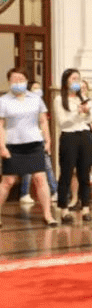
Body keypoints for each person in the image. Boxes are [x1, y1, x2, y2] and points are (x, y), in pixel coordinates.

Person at [0, 68, 55, 226]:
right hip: (13, 145)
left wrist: (48, 141)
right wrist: (2, 146)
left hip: (34, 144)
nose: (18, 82)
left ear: (26, 80)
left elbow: (43, 121)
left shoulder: (35, 98)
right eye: (14, 80)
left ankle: (48, 215)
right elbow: (1, 125)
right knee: (8, 181)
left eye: (21, 79)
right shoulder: (3, 100)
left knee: (40, 179)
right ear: (9, 82)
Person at [55, 68, 92, 223]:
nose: (76, 82)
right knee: (66, 173)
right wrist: (77, 113)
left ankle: (86, 208)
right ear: (66, 81)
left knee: (84, 174)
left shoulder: (85, 98)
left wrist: (86, 112)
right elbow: (62, 122)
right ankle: (64, 209)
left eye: (78, 79)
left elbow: (91, 119)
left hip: (85, 135)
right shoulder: (60, 99)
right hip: (69, 136)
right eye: (73, 78)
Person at [17, 82, 57, 208]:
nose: (38, 90)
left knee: (47, 166)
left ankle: (55, 191)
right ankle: (24, 193)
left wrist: (48, 140)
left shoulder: (41, 104)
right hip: (27, 140)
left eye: (39, 88)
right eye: (35, 88)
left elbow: (44, 122)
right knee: (28, 170)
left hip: (40, 139)